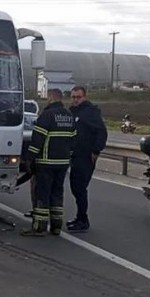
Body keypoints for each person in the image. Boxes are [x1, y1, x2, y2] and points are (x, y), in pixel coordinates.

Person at [22, 88, 75, 236]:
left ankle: (40, 226)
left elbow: (37, 139)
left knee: (42, 193)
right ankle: (56, 225)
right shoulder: (69, 115)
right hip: (63, 162)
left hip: (46, 162)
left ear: (51, 98)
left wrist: (29, 158)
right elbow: (73, 140)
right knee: (57, 193)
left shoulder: (47, 115)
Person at [67, 86, 107, 232]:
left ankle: (83, 219)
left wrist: (96, 150)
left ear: (85, 97)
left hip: (85, 156)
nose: (76, 100)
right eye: (73, 97)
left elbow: (101, 132)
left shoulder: (90, 113)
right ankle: (80, 217)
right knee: (75, 187)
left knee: (79, 187)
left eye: (78, 97)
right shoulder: (72, 112)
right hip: (75, 155)